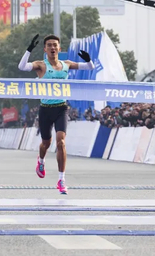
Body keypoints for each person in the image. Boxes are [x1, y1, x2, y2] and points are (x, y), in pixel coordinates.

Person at [17, 34, 95, 195]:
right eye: (49, 45)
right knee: (46, 143)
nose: (52, 47)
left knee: (61, 142)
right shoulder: (41, 65)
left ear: (59, 48)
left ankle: (61, 180)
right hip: (45, 109)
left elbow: (90, 68)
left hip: (61, 108)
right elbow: (22, 67)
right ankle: (41, 160)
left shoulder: (67, 64)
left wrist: (88, 59)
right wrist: (29, 49)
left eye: (55, 45)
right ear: (45, 49)